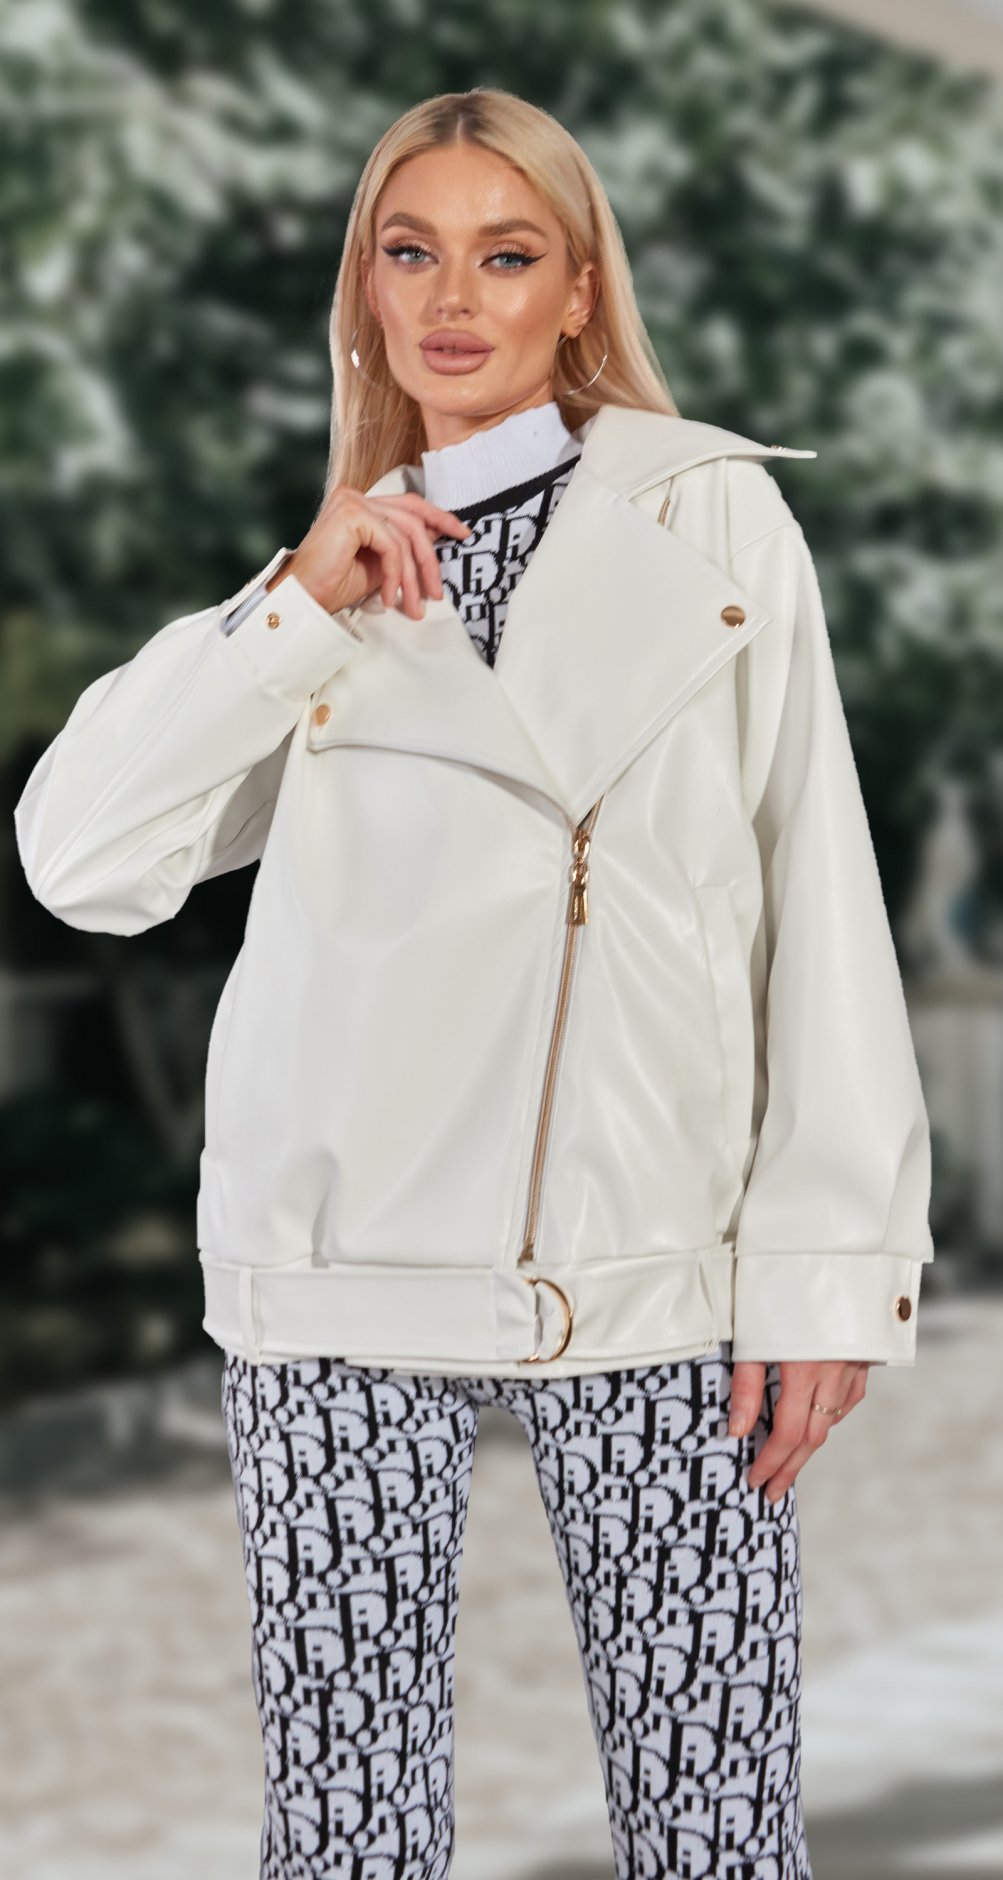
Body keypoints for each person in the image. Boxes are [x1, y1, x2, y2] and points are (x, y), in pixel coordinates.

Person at [13, 86, 934, 1880]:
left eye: (507, 256)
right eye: (410, 251)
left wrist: (830, 1263)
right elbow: (77, 860)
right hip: (339, 1276)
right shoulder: (327, 585)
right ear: (363, 291)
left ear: (579, 291)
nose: (454, 297)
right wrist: (290, 610)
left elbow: (817, 890)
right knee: (347, 1841)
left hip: (652, 1268)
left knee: (718, 1830)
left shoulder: (716, 523)